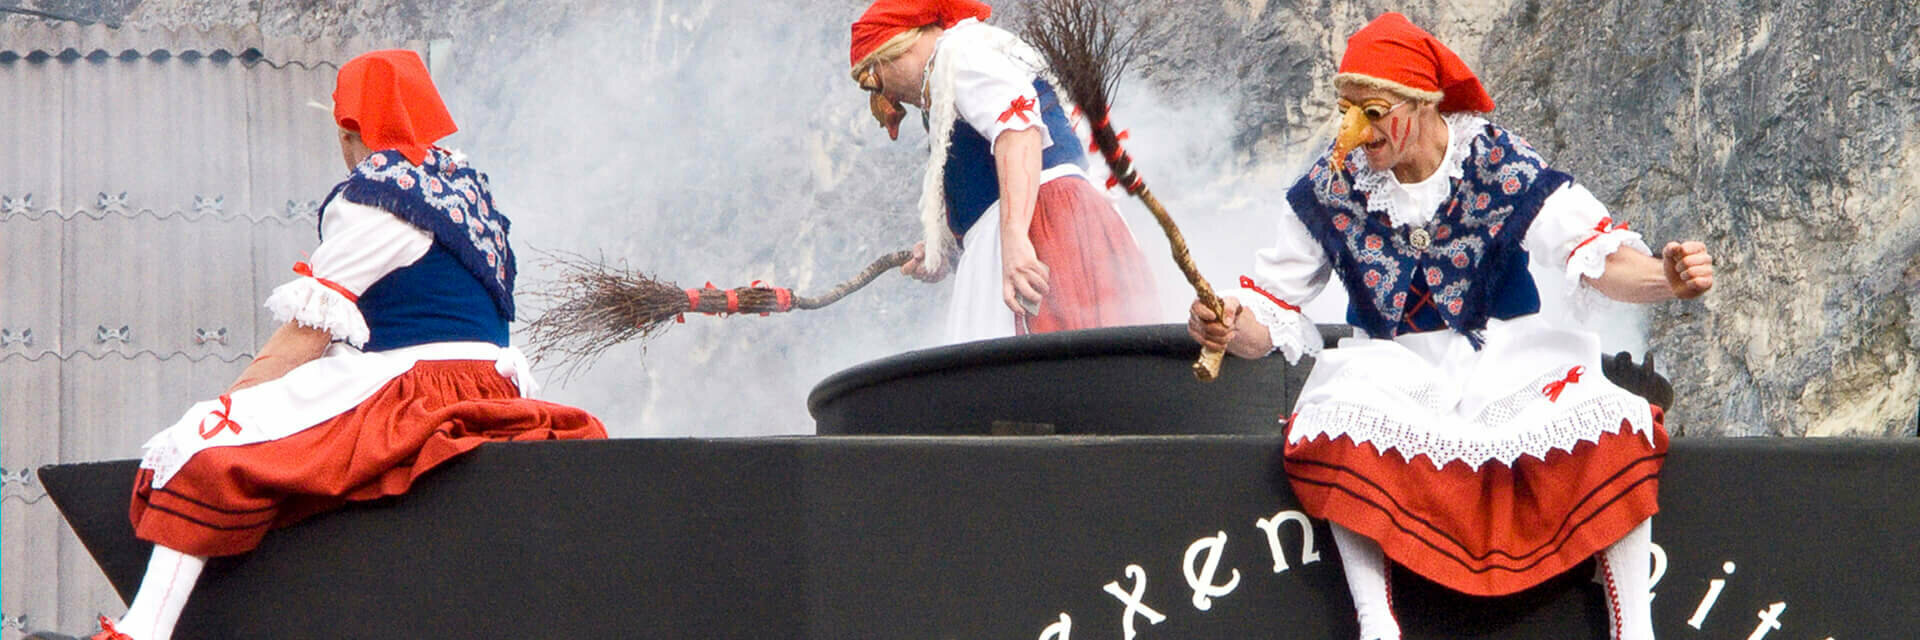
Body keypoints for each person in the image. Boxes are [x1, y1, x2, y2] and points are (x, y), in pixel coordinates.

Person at [33, 50, 607, 640]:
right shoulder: (467, 191)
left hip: (417, 389)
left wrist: (235, 401)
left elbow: (310, 330)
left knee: (205, 449)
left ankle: (143, 630)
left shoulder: (377, 197)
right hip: (495, 383)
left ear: (350, 130)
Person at [1187, 13, 1714, 640]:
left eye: (1373, 112)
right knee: (1339, 415)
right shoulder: (1333, 184)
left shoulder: (1494, 160)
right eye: (1346, 110)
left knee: (1609, 420)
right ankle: (1377, 624)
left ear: (1422, 103)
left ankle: (1636, 630)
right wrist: (1226, 323)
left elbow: (1595, 256)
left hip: (1506, 357)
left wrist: (1666, 279)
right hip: (1395, 370)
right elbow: (1271, 309)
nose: (1356, 130)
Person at [848, 0, 1161, 343]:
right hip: (1050, 222)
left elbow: (1018, 130)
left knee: (1046, 359)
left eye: (873, 81)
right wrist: (944, 250)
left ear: (898, 47)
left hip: (1045, 225)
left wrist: (1015, 240)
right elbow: (985, 187)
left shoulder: (961, 53)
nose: (888, 98)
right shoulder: (958, 67)